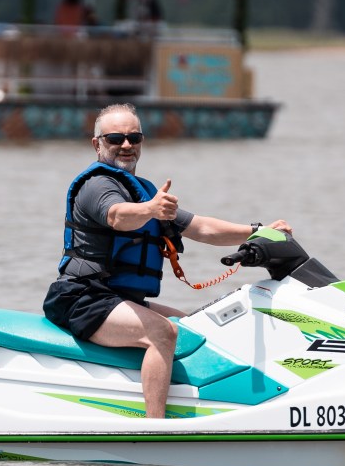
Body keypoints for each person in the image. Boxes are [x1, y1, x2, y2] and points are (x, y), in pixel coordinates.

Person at [44, 103, 292, 419]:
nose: (126, 145)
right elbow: (117, 216)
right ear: (97, 144)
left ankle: (209, 408)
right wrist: (150, 209)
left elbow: (202, 228)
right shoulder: (97, 186)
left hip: (118, 298)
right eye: (115, 138)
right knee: (163, 332)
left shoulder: (146, 192)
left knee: (194, 325)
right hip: (83, 299)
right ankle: (155, 427)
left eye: (134, 138)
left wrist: (260, 231)